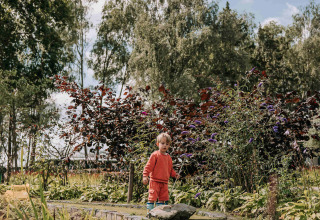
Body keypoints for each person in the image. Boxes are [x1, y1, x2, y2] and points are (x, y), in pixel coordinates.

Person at [143, 133, 179, 214]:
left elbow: (170, 169)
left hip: (164, 182)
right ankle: (149, 213)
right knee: (152, 197)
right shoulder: (155, 155)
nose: (164, 145)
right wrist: (145, 176)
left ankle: (159, 213)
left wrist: (174, 174)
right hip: (154, 181)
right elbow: (148, 166)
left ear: (169, 145)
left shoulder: (168, 157)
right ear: (157, 144)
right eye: (162, 143)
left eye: (167, 144)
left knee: (163, 198)